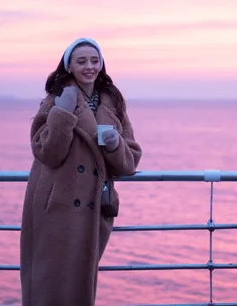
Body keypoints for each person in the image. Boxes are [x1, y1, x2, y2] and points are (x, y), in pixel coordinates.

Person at [20, 38, 142, 305]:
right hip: (56, 205)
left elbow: (130, 161)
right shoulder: (56, 100)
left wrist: (114, 144)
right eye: (82, 61)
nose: (89, 66)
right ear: (69, 66)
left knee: (80, 282)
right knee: (50, 282)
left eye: (94, 60)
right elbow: (47, 153)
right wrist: (62, 113)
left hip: (94, 207)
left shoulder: (114, 104)